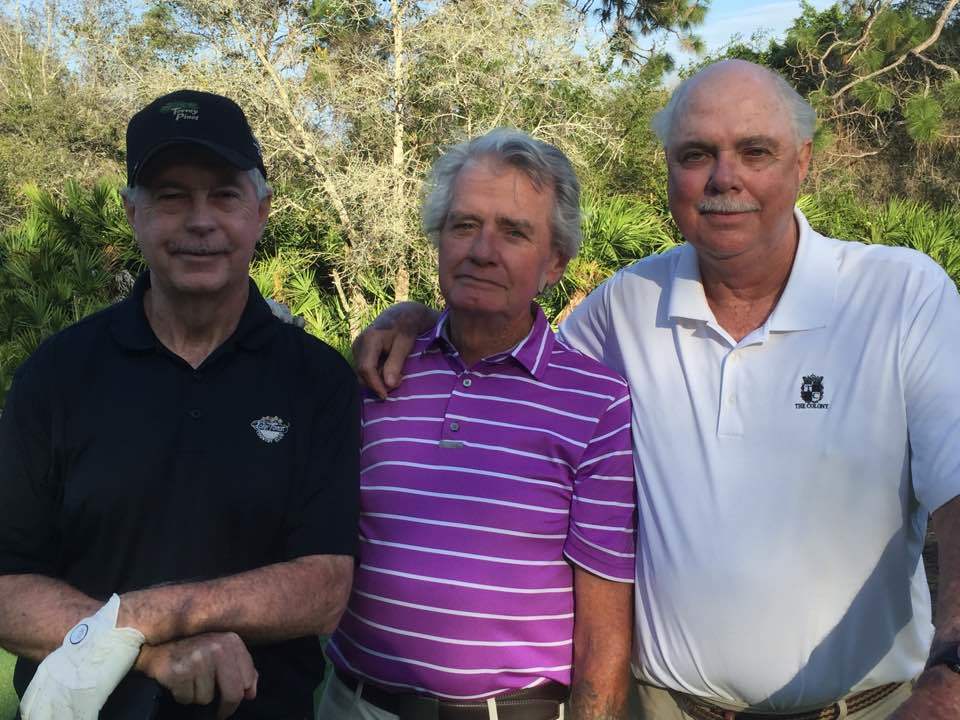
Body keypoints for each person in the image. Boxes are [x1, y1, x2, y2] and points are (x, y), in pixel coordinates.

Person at [352, 60, 960, 719]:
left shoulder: (900, 295)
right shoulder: (629, 304)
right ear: (670, 170)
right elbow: (509, 340)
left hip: (871, 709)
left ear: (803, 162)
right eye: (696, 154)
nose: (724, 177)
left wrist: (949, 683)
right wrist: (416, 321)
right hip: (667, 707)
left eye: (755, 151)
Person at [0, 89, 360, 720]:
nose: (200, 221)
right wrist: (149, 654)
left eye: (224, 195)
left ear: (260, 212)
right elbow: (7, 590)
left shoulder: (318, 380)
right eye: (171, 196)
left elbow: (324, 585)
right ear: (133, 213)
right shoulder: (56, 376)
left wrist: (145, 615)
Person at [316, 129, 637, 720]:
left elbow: (604, 632)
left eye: (514, 232)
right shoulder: (378, 372)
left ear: (555, 261)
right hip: (355, 704)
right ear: (438, 239)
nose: (482, 251)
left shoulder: (597, 403)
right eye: (464, 225)